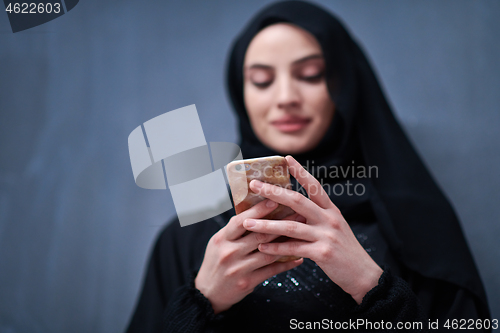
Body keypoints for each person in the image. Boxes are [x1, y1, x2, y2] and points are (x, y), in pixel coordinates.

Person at [126, 1, 491, 332]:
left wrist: (372, 286)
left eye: (311, 74)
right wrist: (202, 301)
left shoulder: (417, 227)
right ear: (242, 94)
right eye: (262, 80)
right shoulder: (193, 236)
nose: (285, 98)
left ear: (345, 86)